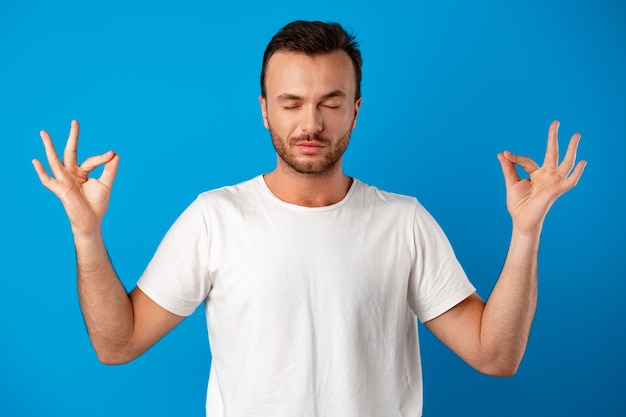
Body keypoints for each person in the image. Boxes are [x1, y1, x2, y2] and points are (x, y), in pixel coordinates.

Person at [32, 20, 586, 417]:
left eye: (331, 101)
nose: (311, 122)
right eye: (291, 102)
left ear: (355, 109)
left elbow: (496, 356)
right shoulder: (214, 218)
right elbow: (117, 344)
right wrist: (86, 232)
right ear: (265, 109)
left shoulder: (404, 222)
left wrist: (526, 232)